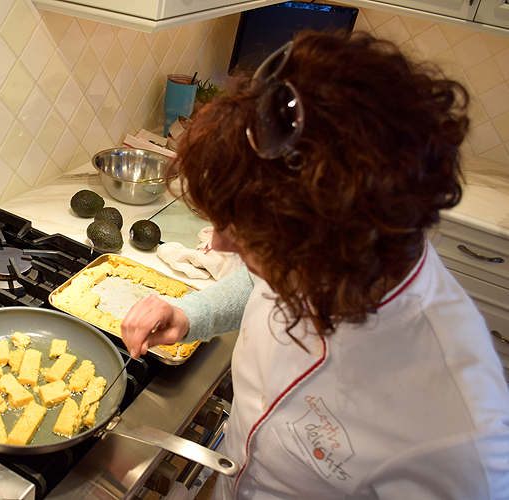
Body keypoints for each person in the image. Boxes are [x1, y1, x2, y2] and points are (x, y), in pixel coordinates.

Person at [120, 31, 509, 499]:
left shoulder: (459, 442)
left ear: (337, 241)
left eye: (249, 233)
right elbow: (260, 284)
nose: (220, 243)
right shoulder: (310, 259)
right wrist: (190, 314)